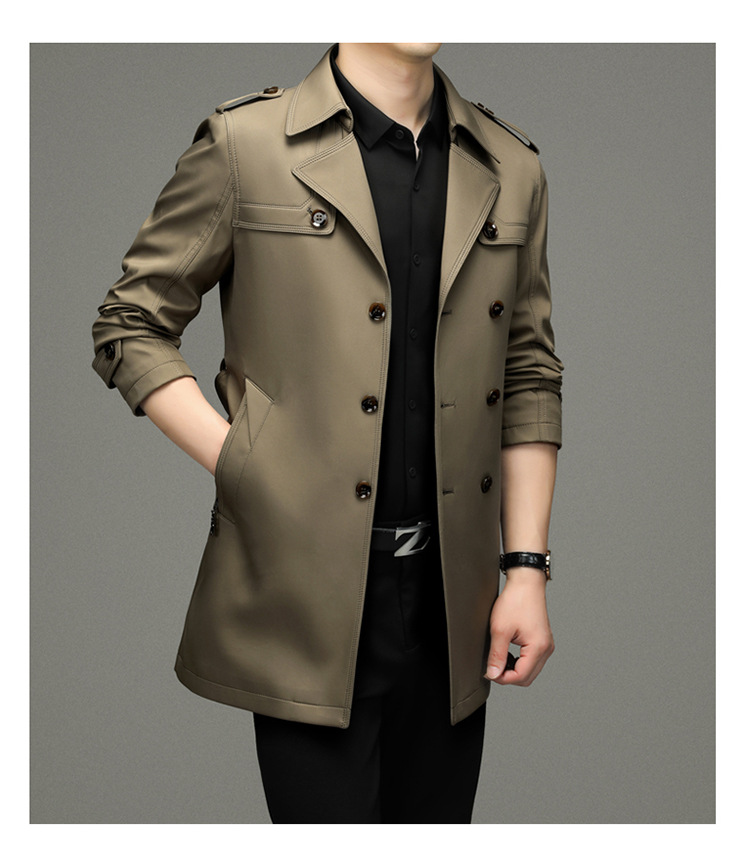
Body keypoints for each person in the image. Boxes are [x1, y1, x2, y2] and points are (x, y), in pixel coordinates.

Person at [91, 42, 563, 824]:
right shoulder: (247, 143)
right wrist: (243, 462)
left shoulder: (511, 165)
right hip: (303, 595)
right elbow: (130, 324)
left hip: (455, 607)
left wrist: (527, 569)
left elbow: (529, 375)